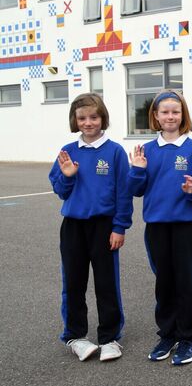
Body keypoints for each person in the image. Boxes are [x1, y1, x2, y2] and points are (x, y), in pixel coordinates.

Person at [129, 90, 192, 366]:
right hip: (155, 227)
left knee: (184, 281)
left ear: (183, 115)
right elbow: (136, 189)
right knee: (163, 281)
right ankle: (167, 333)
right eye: (164, 111)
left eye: (175, 112)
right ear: (155, 116)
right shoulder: (147, 151)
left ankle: (188, 337)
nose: (170, 116)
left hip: (184, 226)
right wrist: (138, 169)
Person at [49, 93, 132, 362]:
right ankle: (76, 336)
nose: (88, 122)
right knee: (73, 282)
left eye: (94, 117)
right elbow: (61, 191)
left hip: (104, 226)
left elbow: (124, 193)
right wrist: (68, 176)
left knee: (106, 283)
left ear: (102, 118)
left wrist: (119, 227)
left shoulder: (115, 151)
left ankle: (110, 337)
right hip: (73, 226)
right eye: (82, 118)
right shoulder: (68, 151)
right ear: (75, 120)